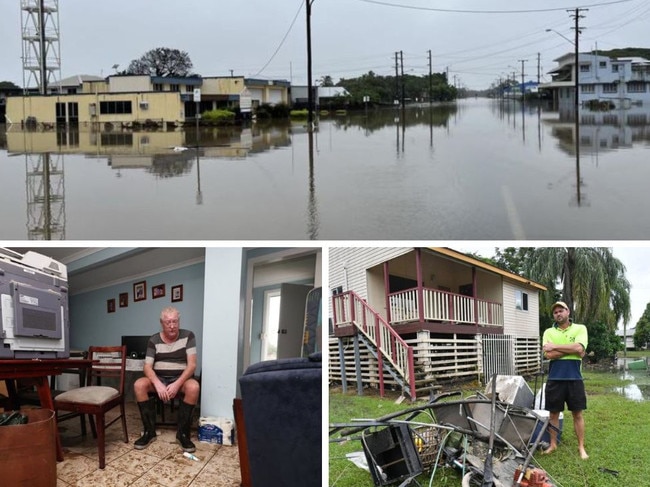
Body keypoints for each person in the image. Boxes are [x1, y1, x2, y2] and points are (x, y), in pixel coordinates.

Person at [133, 306, 200, 453]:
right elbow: (147, 367)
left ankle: (183, 434)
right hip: (159, 378)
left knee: (193, 387)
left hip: (180, 379)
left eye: (175, 321)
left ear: (179, 321)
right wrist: (157, 383)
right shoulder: (153, 339)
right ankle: (149, 432)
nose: (172, 326)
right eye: (168, 322)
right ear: (161, 323)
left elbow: (192, 365)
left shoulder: (189, 336)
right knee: (139, 385)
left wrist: (177, 384)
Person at [542, 301, 589, 459]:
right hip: (555, 379)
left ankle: (581, 447)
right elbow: (548, 355)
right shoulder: (548, 331)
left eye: (561, 310)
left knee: (577, 414)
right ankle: (553, 444)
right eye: (555, 312)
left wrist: (555, 347)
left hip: (574, 378)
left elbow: (579, 349)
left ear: (568, 312)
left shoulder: (580, 328)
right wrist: (573, 349)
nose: (558, 314)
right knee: (553, 414)